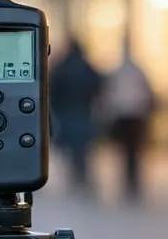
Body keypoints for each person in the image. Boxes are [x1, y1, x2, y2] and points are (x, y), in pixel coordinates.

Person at [49, 41, 102, 195]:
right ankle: (82, 176)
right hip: (84, 111)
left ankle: (76, 177)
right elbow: (97, 85)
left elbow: (54, 91)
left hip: (68, 112)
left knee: (73, 147)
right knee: (82, 148)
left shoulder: (62, 67)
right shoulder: (86, 67)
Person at [104, 56, 153, 203]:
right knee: (131, 153)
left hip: (129, 116)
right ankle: (131, 183)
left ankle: (131, 183)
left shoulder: (122, 71)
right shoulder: (135, 71)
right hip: (132, 116)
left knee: (129, 153)